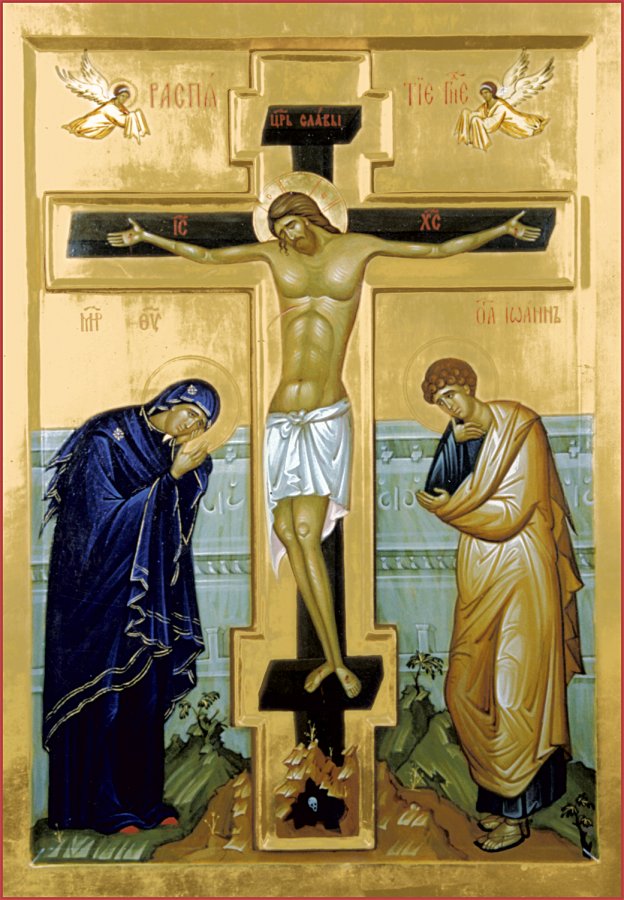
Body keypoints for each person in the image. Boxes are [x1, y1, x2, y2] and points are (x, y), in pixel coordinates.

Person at [108, 193, 540, 700]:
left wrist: (501, 229)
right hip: (282, 415)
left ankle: (336, 660)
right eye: (279, 231)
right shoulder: (276, 256)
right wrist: (147, 237)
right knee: (287, 530)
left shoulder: (355, 249)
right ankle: (329, 660)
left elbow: (434, 251)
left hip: (325, 415)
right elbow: (208, 256)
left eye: (292, 226)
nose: (287, 238)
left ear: (311, 217)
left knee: (305, 530)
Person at [416, 358, 583, 852]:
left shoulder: (522, 427)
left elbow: (512, 512)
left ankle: (517, 816)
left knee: (515, 693)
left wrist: (450, 509)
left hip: (524, 571)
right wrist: (454, 454)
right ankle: (496, 798)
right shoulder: (458, 438)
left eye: (451, 395)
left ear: (469, 386)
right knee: (466, 687)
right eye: (440, 402)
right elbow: (442, 485)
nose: (449, 407)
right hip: (481, 574)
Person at [42, 380, 220, 834]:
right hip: (96, 598)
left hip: (146, 598)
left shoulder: (168, 450)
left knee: (146, 694)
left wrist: (188, 475)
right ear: (170, 399)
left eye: (201, 425)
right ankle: (103, 807)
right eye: (191, 415)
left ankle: (144, 801)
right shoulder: (107, 437)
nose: (191, 428)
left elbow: (173, 525)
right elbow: (93, 521)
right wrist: (172, 477)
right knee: (109, 697)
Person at [455, 81, 549, 151]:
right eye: (482, 93)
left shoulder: (501, 106)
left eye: (486, 92)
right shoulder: (486, 105)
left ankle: (479, 145)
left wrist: (477, 119)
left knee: (476, 120)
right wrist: (469, 114)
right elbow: (481, 112)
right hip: (498, 122)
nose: (484, 95)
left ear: (492, 93)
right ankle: (465, 138)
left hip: (514, 124)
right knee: (465, 112)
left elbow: (493, 123)